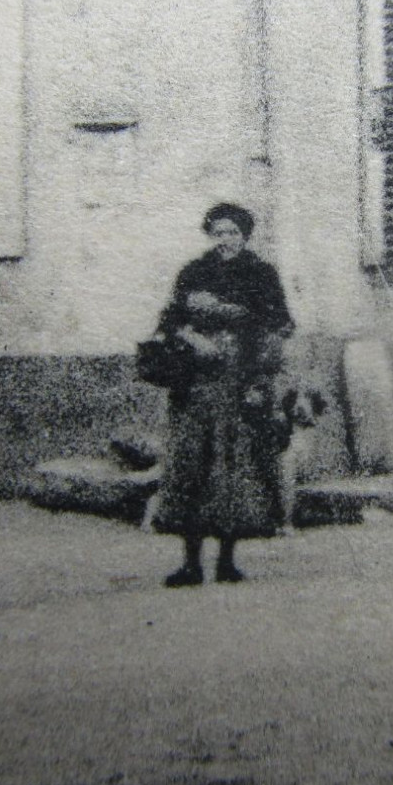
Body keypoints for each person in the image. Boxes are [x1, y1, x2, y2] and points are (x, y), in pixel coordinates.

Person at [149, 202, 294, 586]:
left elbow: (278, 326)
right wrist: (194, 338)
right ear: (209, 235)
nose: (225, 239)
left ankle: (228, 560)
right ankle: (191, 563)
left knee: (233, 469)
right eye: (218, 232)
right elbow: (169, 321)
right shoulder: (194, 272)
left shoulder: (261, 274)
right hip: (196, 384)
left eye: (232, 232)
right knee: (191, 466)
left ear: (245, 235)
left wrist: (260, 380)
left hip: (239, 382)